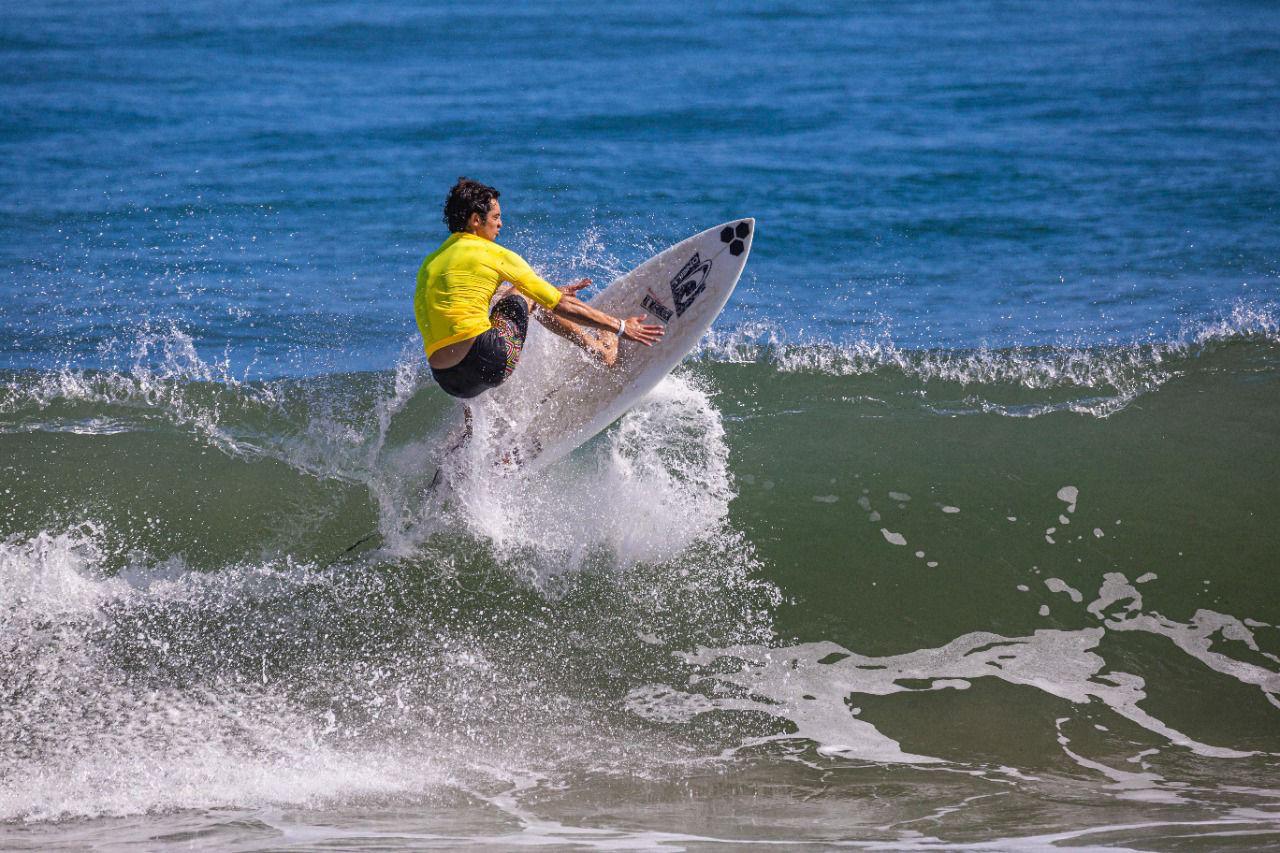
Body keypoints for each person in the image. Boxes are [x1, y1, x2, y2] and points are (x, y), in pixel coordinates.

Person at [413, 177, 664, 400]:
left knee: (476, 323)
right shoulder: (491, 253)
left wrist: (546, 291)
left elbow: (470, 305)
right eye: (496, 217)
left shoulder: (431, 263)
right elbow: (559, 304)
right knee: (524, 292)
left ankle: (474, 434)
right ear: (476, 220)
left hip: (450, 383)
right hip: (488, 360)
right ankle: (599, 350)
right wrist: (620, 326)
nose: (501, 224)